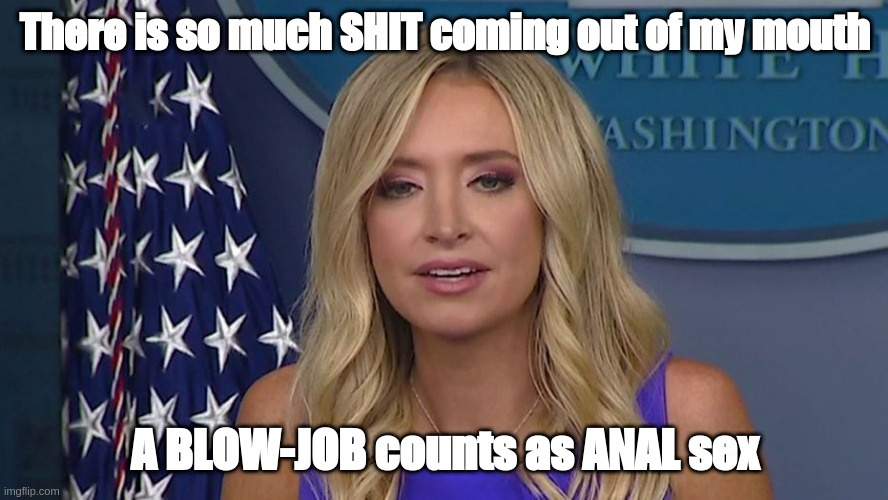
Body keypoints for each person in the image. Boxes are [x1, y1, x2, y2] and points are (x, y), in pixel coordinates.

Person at [222, 41, 773, 499]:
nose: (445, 225)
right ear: (359, 220)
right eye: (400, 187)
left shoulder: (689, 417)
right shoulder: (284, 424)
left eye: (490, 181)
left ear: (556, 204)